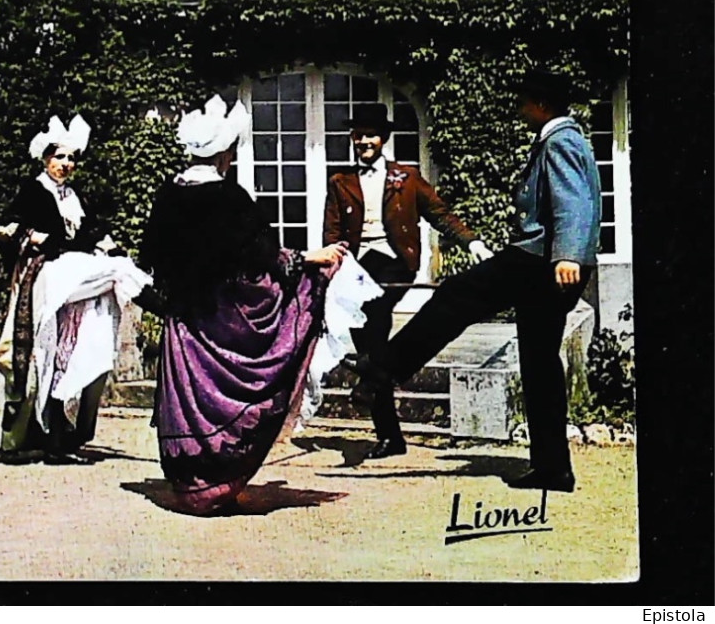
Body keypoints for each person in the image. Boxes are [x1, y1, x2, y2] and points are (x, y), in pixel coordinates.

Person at [354, 70, 601, 493]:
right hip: (544, 261)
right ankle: (553, 468)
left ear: (541, 105)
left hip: (539, 261)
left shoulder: (559, 141)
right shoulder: (565, 138)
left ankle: (384, 369)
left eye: (525, 102)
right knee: (540, 365)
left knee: (458, 294)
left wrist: (567, 255)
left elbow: (574, 200)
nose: (521, 109)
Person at [142, 95, 344, 515]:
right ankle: (217, 484)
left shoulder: (169, 194)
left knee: (189, 396)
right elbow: (262, 254)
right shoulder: (228, 197)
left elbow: (153, 255)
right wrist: (312, 263)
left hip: (184, 319)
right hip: (222, 315)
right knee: (234, 389)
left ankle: (192, 486)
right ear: (224, 152)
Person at [322, 102, 486, 460]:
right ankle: (388, 432)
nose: (364, 141)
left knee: (375, 312)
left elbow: (440, 213)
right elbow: (332, 232)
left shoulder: (406, 178)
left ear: (383, 139)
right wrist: (331, 267)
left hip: (393, 264)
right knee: (371, 344)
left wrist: (471, 242)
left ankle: (371, 381)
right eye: (359, 135)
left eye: (371, 135)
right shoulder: (340, 182)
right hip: (355, 268)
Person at [0, 114, 157, 463]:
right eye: (60, 157)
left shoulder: (73, 195)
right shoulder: (34, 190)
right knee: (44, 356)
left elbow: (92, 231)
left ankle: (60, 434)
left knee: (70, 349)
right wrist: (28, 235)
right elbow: (5, 229)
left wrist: (108, 243)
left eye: (71, 158)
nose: (66, 165)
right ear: (46, 158)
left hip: (72, 275)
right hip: (47, 277)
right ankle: (163, 304)